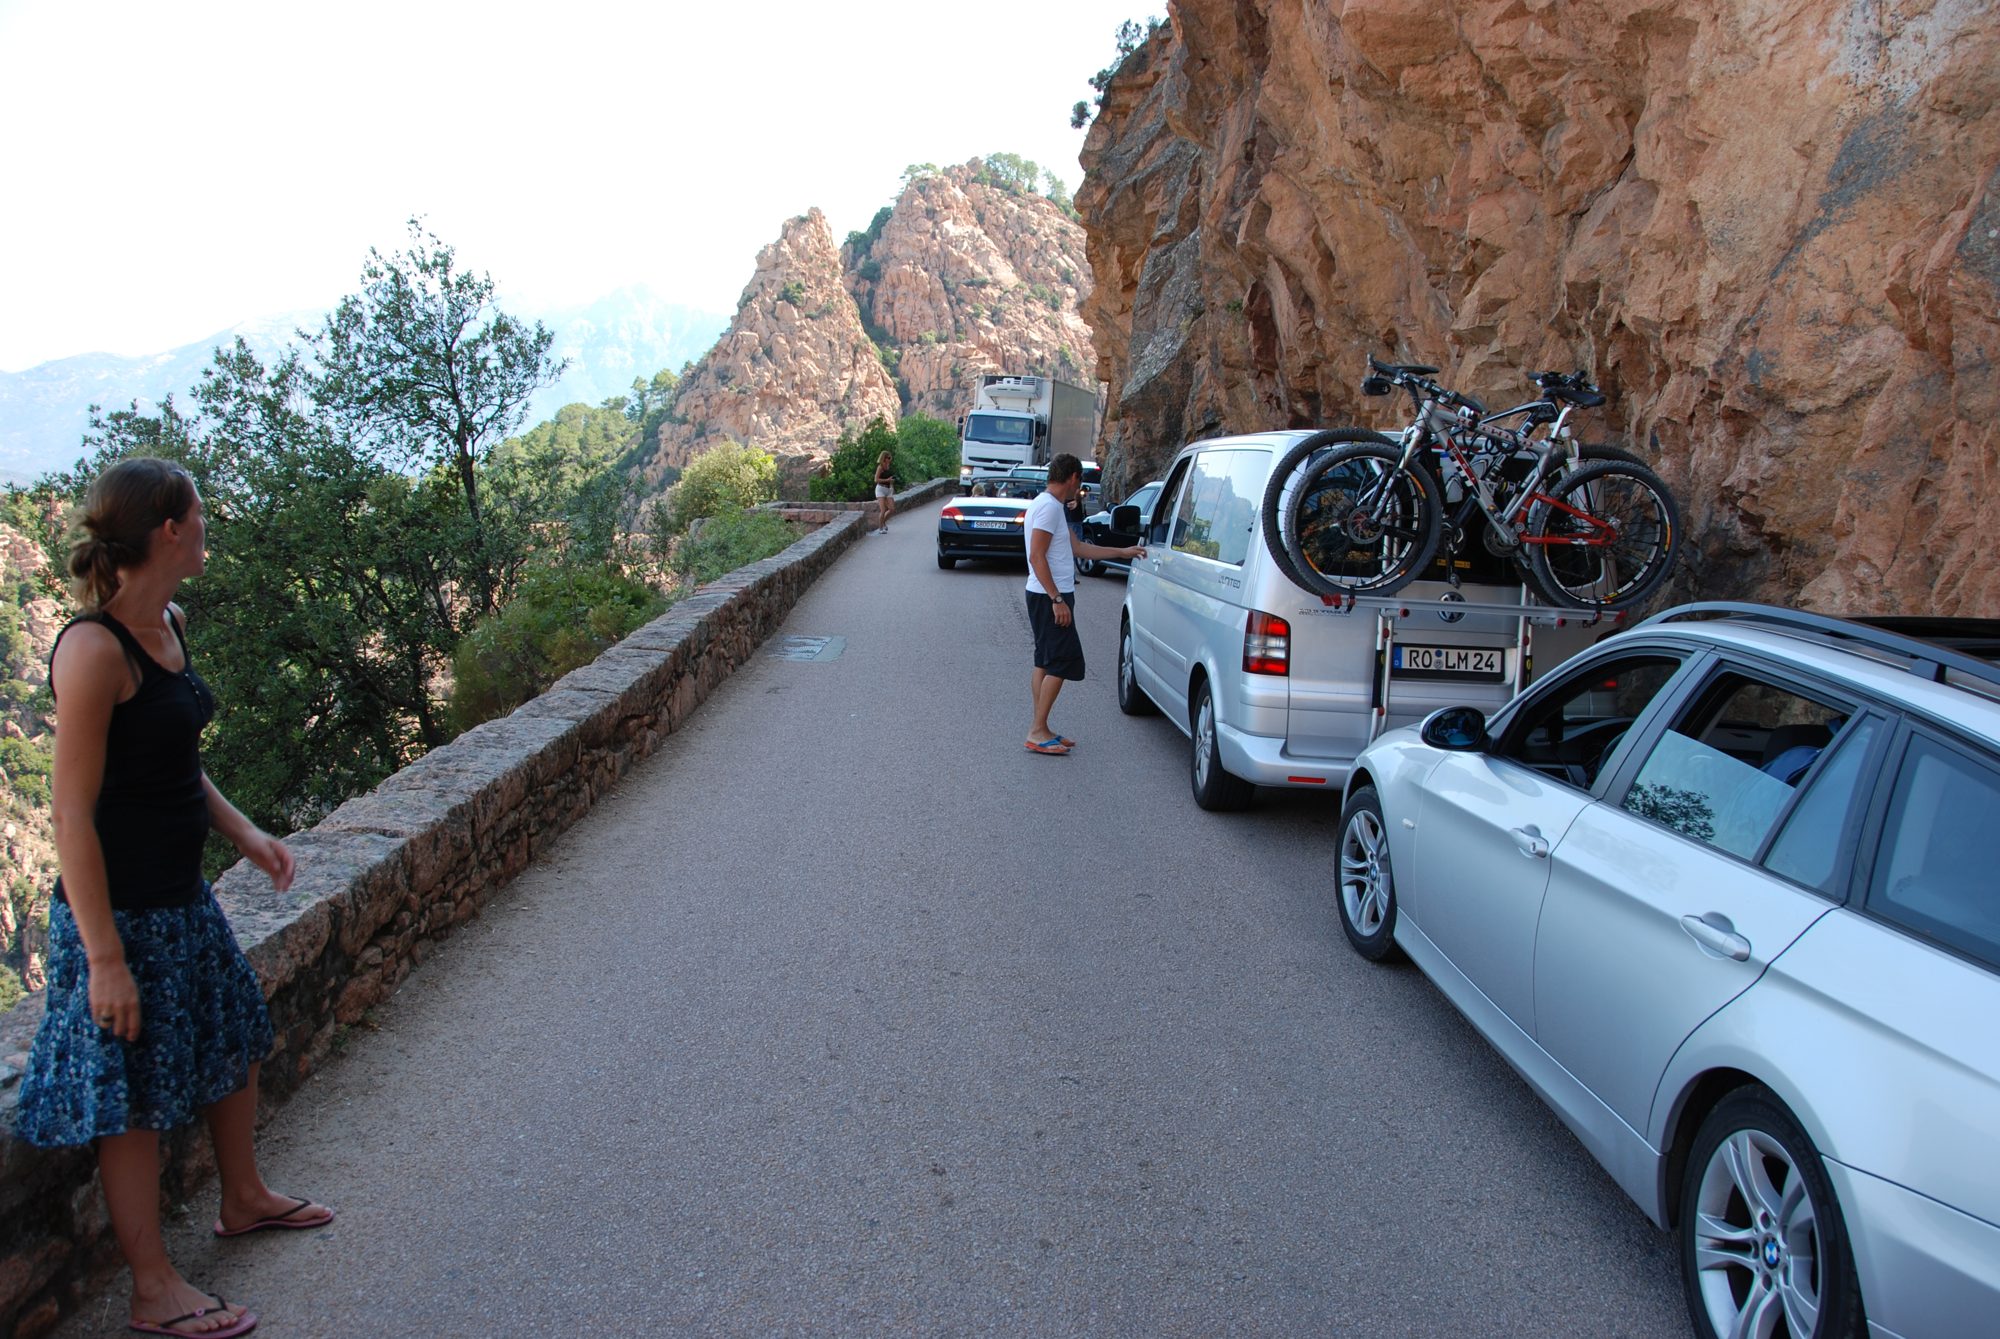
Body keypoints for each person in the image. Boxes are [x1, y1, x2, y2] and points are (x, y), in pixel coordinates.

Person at [15, 458, 329, 1339]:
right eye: (200, 514)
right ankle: (153, 1290)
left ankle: (243, 1195)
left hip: (181, 899)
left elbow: (175, 764)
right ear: (168, 530)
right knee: (138, 1097)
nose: (207, 526)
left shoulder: (171, 624)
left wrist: (244, 833)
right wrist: (104, 959)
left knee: (236, 1032)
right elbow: (70, 813)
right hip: (118, 918)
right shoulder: (91, 651)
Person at [1024, 454, 1145, 755]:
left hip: (1044, 594)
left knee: (1045, 661)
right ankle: (1037, 731)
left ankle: (1042, 726)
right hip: (1049, 596)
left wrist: (1123, 552)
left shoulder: (1048, 506)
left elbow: (1079, 548)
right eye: (1080, 483)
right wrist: (1057, 599)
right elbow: (1036, 556)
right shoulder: (1050, 509)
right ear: (1074, 478)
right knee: (1064, 661)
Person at [872, 450, 896, 534]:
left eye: (890, 458)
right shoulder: (880, 467)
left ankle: (883, 522)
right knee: (883, 509)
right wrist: (887, 480)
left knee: (892, 509)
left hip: (888, 489)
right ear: (884, 458)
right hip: (880, 489)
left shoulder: (888, 466)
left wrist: (891, 485)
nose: (890, 459)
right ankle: (880, 528)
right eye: (888, 458)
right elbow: (876, 479)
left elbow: (890, 478)